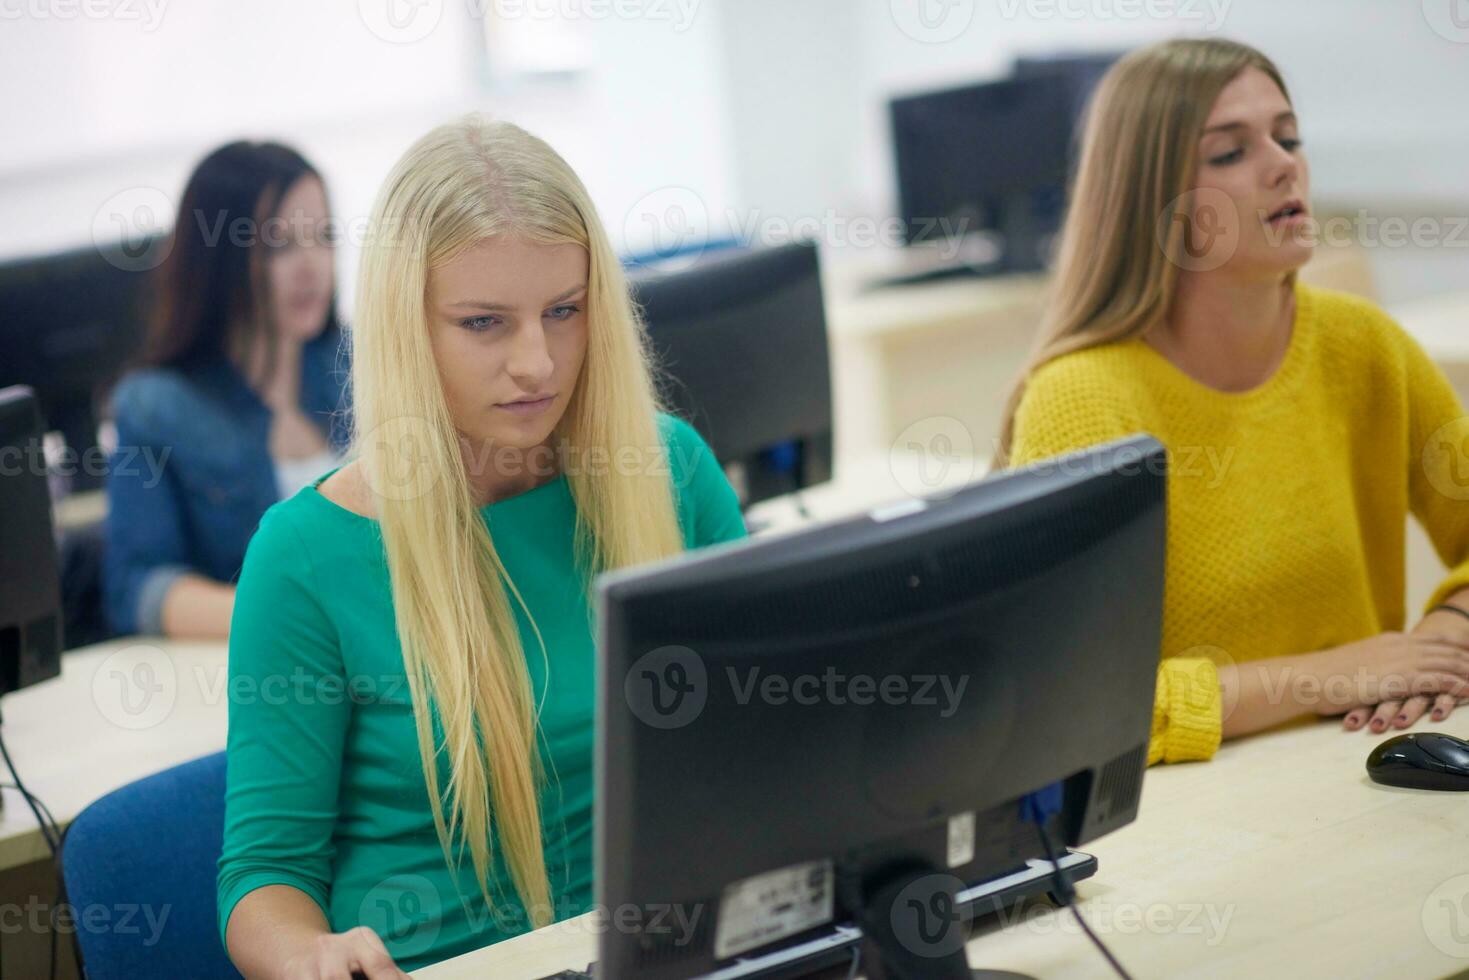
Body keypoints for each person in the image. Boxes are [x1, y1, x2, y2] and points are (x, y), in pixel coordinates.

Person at [217, 115, 747, 976]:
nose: (537, 361)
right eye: (483, 323)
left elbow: (767, 730)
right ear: (405, 328)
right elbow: (265, 878)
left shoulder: (666, 469)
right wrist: (311, 954)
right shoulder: (305, 555)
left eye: (563, 311)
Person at [998, 38, 1469, 765]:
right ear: (1153, 201)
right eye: (1229, 153)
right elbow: (1055, 702)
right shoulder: (1081, 403)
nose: (1284, 164)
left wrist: (1446, 633)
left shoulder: (1361, 345)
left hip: (1355, 772)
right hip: (1187, 824)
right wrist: (1317, 678)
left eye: (1288, 137)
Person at [104, 141, 349, 638]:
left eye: (322, 236)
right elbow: (136, 589)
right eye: (280, 245)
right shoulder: (157, 407)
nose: (312, 266)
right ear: (219, 259)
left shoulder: (358, 367)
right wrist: (293, 618)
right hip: (269, 672)